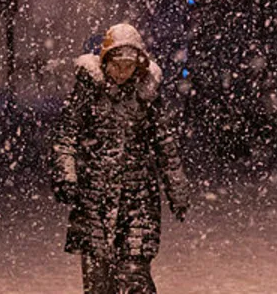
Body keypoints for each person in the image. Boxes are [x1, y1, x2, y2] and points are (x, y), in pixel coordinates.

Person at [52, 23, 190, 294]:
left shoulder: (147, 97)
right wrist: (66, 176)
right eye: (117, 65)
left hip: (138, 199)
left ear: (139, 66)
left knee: (134, 276)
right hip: (93, 199)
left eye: (129, 66)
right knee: (98, 281)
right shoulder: (88, 92)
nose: (122, 72)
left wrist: (177, 189)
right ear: (105, 62)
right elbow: (66, 138)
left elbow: (166, 147)